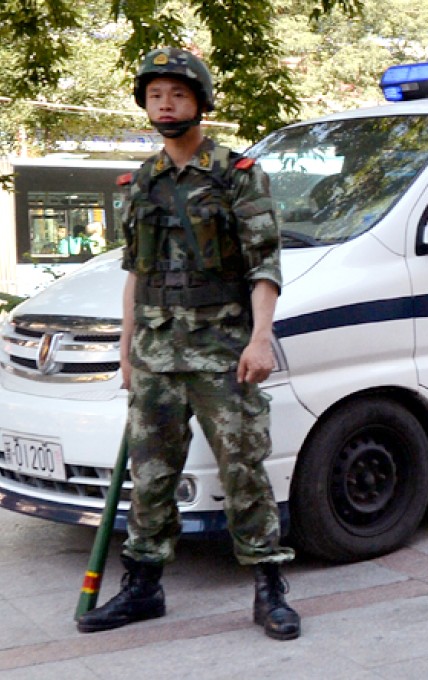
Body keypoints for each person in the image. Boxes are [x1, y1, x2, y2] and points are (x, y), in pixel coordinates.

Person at [76, 47, 300, 640]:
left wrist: (260, 338)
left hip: (222, 351)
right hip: (155, 354)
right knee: (149, 478)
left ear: (200, 100)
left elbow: (265, 266)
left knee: (244, 469)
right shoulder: (142, 181)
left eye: (177, 94)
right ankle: (144, 588)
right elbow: (134, 276)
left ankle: (269, 589)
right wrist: (126, 350)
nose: (165, 105)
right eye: (155, 96)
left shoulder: (236, 174)